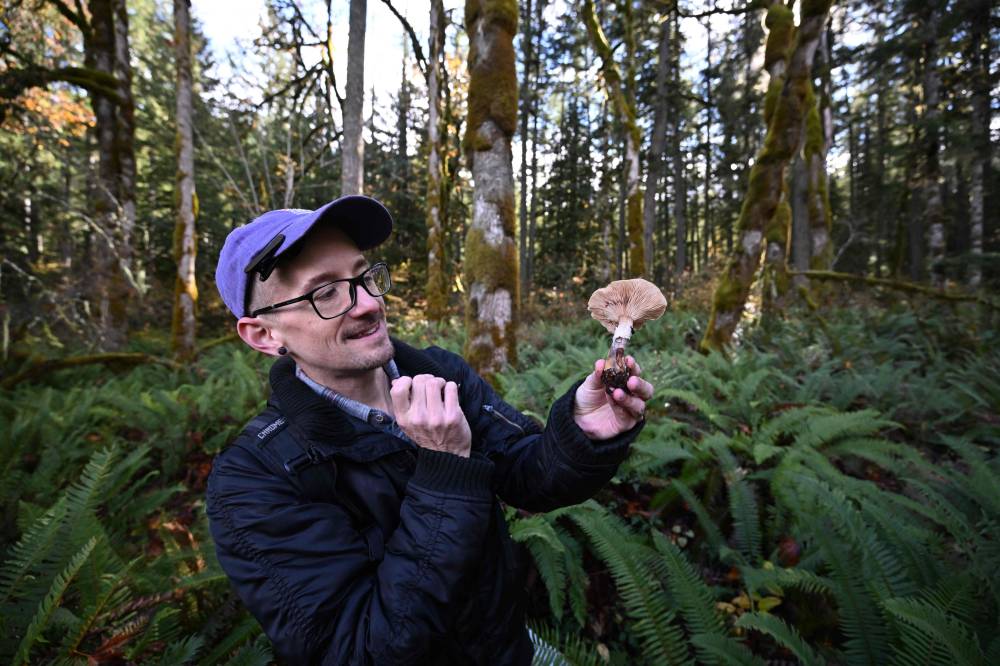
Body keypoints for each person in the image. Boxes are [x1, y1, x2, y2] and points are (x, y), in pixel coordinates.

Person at [206, 195, 653, 665]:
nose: (368, 304)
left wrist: (582, 432)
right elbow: (358, 651)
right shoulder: (255, 480)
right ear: (264, 335)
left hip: (511, 648)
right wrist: (444, 471)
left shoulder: (440, 373)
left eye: (363, 276)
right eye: (325, 293)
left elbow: (525, 472)